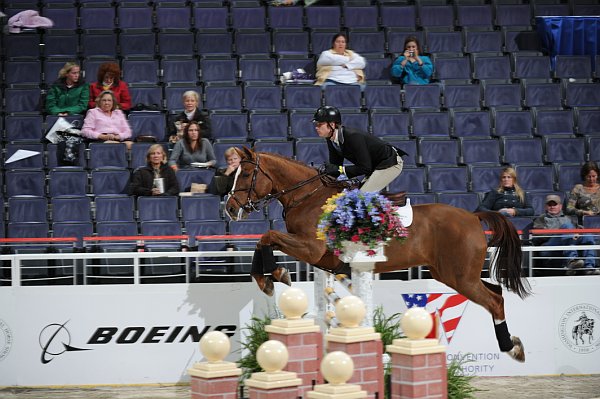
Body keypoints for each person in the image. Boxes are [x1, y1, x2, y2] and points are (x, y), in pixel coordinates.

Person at [314, 106, 406, 193]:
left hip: (389, 163)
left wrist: (340, 170)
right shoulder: (331, 138)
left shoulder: (353, 137)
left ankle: (390, 209)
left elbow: (365, 168)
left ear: (332, 125)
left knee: (362, 196)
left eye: (320, 124)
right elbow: (335, 165)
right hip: (374, 166)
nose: (316, 127)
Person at [532, 194, 599, 275]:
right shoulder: (541, 218)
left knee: (588, 235)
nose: (552, 207)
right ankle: (571, 260)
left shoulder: (569, 218)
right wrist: (562, 232)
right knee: (567, 227)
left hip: (570, 242)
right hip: (549, 246)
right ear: (546, 207)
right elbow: (537, 236)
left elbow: (579, 230)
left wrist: (577, 233)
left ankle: (589, 267)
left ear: (560, 206)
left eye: (555, 204)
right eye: (550, 205)